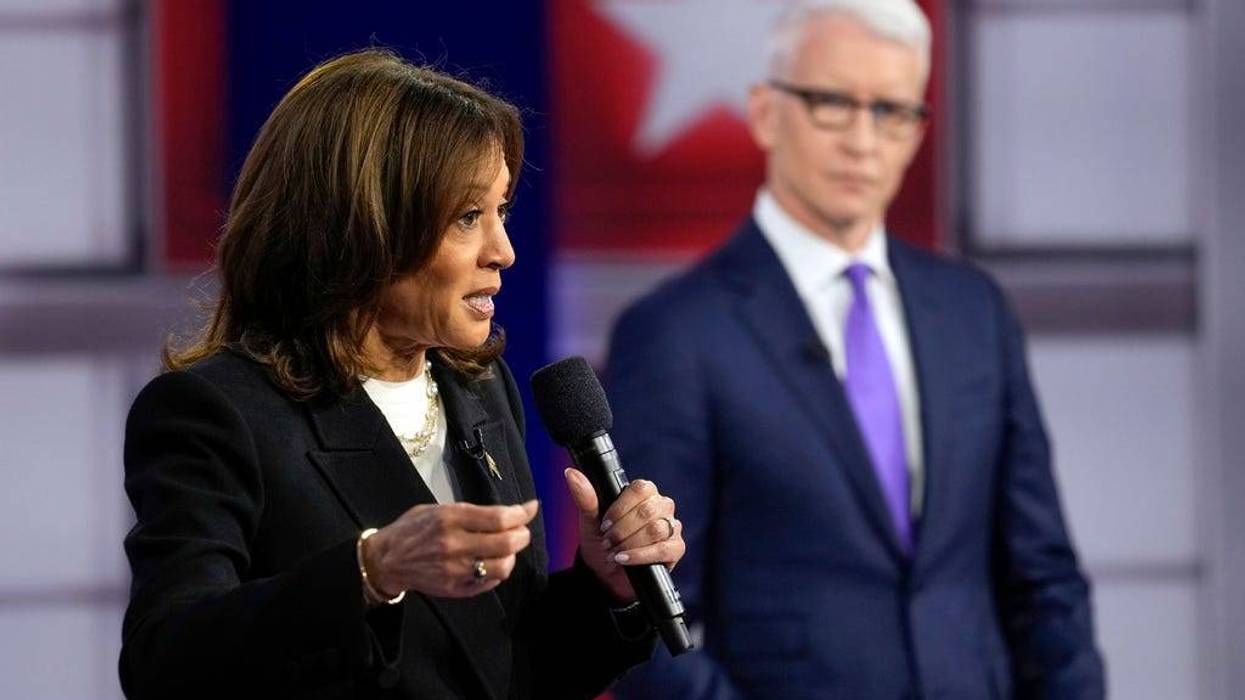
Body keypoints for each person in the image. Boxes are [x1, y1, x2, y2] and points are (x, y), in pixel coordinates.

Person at [120, 49, 686, 700]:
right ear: (365, 225)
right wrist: (369, 571)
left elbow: (501, 670)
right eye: (467, 217)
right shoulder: (217, 413)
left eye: (501, 211)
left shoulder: (480, 388)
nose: (503, 251)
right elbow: (165, 663)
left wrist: (603, 586)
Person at [606, 1, 1105, 698]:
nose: (863, 141)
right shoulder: (674, 333)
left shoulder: (974, 312)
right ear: (764, 113)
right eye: (832, 104)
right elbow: (650, 623)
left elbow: (1043, 578)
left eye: (892, 111)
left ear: (917, 131)